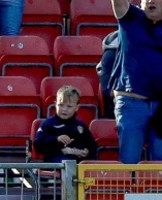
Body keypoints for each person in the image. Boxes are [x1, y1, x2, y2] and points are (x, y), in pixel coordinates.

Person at [110, 0, 162, 164]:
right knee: (129, 163)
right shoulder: (131, 17)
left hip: (161, 105)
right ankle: (128, 190)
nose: (151, 1)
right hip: (132, 103)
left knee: (160, 167)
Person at [34, 85, 98, 163]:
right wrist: (56, 139)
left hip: (79, 161)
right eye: (61, 105)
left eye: (69, 106)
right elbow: (38, 144)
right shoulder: (48, 124)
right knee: (68, 163)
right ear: (55, 104)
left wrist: (86, 151)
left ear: (76, 108)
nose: (64, 109)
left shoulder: (80, 126)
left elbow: (92, 145)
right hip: (56, 160)